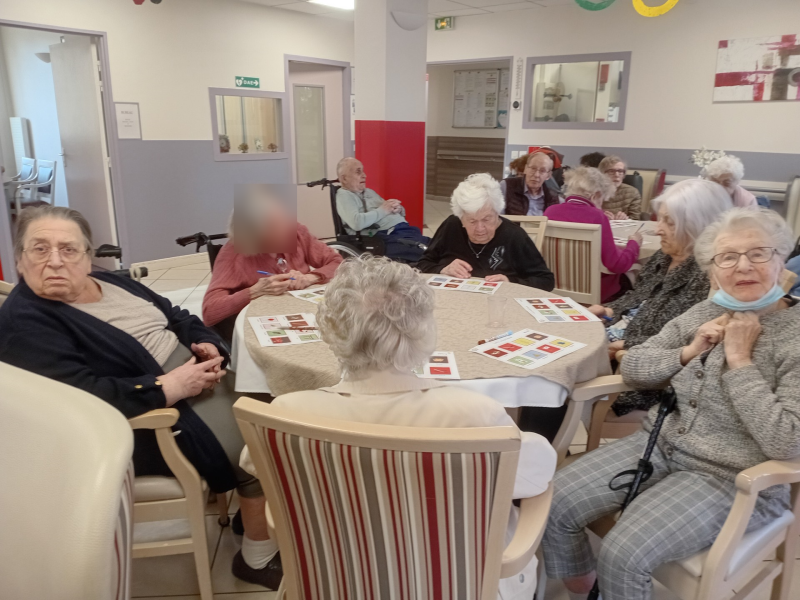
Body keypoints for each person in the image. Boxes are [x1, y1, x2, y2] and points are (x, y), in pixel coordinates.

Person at [239, 255, 557, 599]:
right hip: (456, 585)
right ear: (424, 329)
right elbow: (538, 473)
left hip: (337, 582)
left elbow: (251, 462)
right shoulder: (475, 415)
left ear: (330, 329)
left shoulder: (288, 416)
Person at [0, 206, 282, 589]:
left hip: (192, 383)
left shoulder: (106, 281)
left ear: (87, 257)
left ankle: (249, 513)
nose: (55, 261)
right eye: (39, 249)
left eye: (68, 249)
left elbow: (176, 315)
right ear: (19, 259)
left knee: (272, 404)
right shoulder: (26, 323)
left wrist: (207, 344)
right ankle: (255, 557)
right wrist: (172, 386)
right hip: (154, 422)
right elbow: (83, 401)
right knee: (264, 441)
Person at [543, 207, 799, 600]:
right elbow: (636, 367)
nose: (743, 266)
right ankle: (584, 587)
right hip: (659, 445)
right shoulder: (706, 312)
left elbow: (789, 441)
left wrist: (740, 361)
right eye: (728, 257)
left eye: (758, 253)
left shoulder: (794, 336)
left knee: (623, 553)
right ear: (713, 272)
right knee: (556, 499)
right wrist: (688, 350)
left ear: (781, 261)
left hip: (731, 477)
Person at [587, 179, 733, 415]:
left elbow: (690, 342)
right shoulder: (664, 256)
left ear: (698, 225)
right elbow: (637, 296)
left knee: (557, 378)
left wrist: (625, 345)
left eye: (669, 222)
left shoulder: (709, 275)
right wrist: (609, 310)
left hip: (638, 370)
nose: (657, 229)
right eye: (660, 219)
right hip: (614, 340)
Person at [202, 193, 343, 329]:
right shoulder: (233, 254)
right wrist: (254, 291)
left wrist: (310, 278)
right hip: (265, 323)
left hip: (305, 314)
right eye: (276, 226)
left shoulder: (297, 231)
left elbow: (337, 262)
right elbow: (209, 312)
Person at [417, 173, 555, 290]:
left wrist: (510, 282)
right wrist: (443, 269)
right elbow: (423, 264)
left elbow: (546, 281)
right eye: (472, 221)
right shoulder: (452, 226)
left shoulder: (514, 236)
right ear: (461, 218)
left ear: (497, 212)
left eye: (487, 219)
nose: (480, 228)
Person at [544, 166, 642, 303]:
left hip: (555, 288)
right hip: (596, 292)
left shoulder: (550, 211)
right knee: (635, 272)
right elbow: (616, 264)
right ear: (595, 195)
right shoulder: (597, 216)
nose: (602, 204)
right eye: (602, 199)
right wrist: (633, 244)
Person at [335, 157, 429, 262]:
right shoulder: (344, 195)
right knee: (428, 252)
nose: (364, 175)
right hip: (385, 236)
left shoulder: (369, 192)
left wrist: (397, 209)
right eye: (358, 172)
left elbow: (386, 208)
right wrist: (384, 210)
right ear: (344, 179)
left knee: (437, 244)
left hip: (404, 229)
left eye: (363, 171)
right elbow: (356, 222)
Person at [501, 151, 562, 216]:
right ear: (525, 169)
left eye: (542, 171)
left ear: (548, 175)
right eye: (533, 168)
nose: (536, 175)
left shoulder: (554, 198)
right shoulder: (506, 186)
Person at [598, 155, 641, 220]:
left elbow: (636, 219)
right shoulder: (593, 192)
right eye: (611, 171)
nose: (617, 175)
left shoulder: (633, 192)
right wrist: (601, 217)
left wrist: (626, 219)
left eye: (620, 171)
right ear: (602, 173)